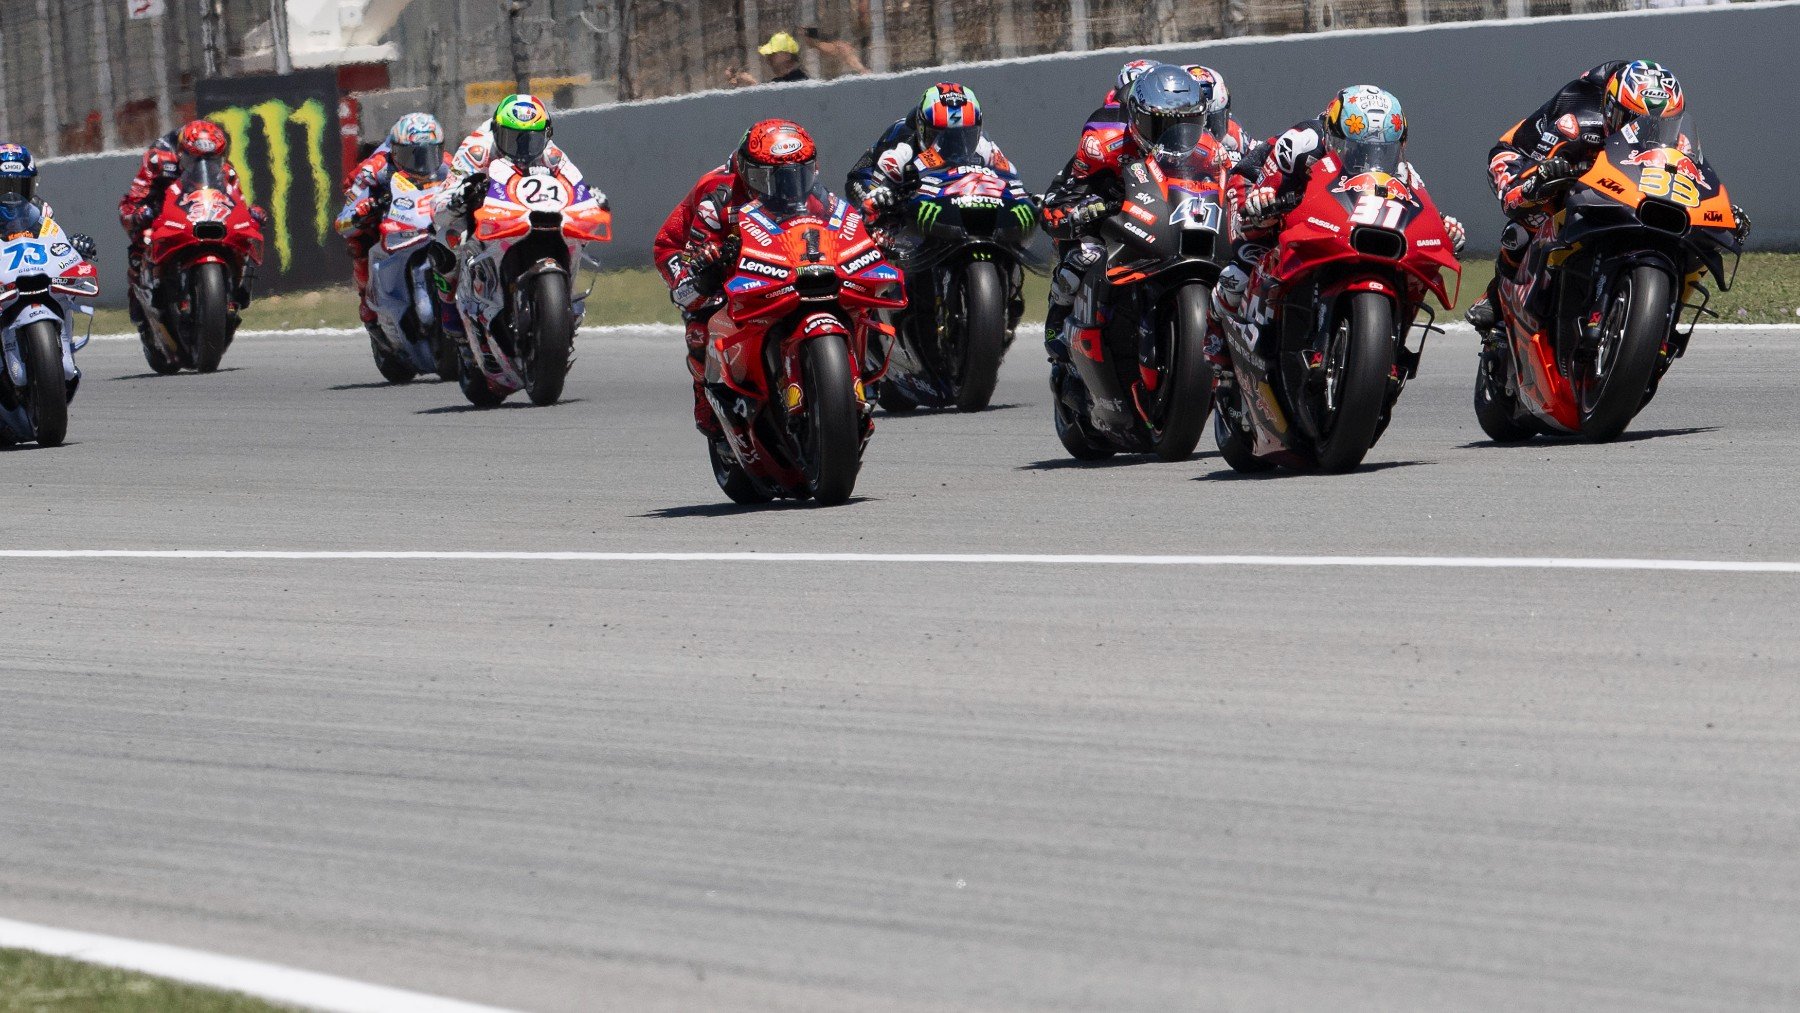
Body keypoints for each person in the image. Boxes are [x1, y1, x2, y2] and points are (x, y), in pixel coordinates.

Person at [1463, 60, 1742, 338]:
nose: (1649, 134)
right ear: (1611, 111)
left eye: (1663, 125)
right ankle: (1497, 297)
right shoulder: (1575, 123)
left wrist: (1725, 215)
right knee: (1535, 210)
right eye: (1634, 123)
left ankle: (1661, 326)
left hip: (1622, 187)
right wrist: (1541, 180)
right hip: (1521, 157)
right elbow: (1529, 170)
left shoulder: (1680, 142)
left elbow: (1697, 180)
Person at [1216, 85, 1465, 365]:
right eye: (1356, 150)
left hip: (1338, 220)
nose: (1368, 160)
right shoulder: (1300, 143)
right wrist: (1263, 203)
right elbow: (1258, 198)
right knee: (1240, 271)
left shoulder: (1402, 169)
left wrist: (1443, 228)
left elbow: (1420, 205)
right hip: (1258, 182)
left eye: (1382, 151)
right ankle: (1218, 355)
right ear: (1333, 136)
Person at [1039, 64, 1218, 386]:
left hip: (1168, 222)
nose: (1173, 135)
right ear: (1136, 117)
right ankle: (1058, 319)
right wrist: (1078, 211)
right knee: (1084, 257)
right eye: (1160, 124)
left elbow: (1229, 187)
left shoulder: (1208, 150)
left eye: (1187, 123)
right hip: (1112, 220)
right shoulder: (1103, 142)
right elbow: (1059, 196)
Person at [655, 119, 821, 437]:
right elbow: (696, 255)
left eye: (794, 175)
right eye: (769, 178)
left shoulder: (807, 192)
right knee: (702, 315)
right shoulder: (717, 194)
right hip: (685, 252)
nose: (783, 186)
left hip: (775, 270)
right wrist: (709, 265)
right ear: (747, 171)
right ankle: (710, 405)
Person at [431, 94, 602, 341]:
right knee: (446, 240)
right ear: (496, 131)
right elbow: (439, 206)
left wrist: (592, 197)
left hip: (533, 213)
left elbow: (577, 186)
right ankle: (450, 310)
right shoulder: (477, 149)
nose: (522, 150)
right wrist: (459, 196)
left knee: (574, 232)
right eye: (512, 139)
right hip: (489, 215)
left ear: (546, 135)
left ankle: (566, 294)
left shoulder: (551, 153)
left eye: (531, 141)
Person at [117, 121, 261, 332]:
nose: (204, 165)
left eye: (212, 160)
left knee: (243, 237)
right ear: (182, 153)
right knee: (141, 240)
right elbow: (133, 199)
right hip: (166, 212)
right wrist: (138, 213)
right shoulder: (158, 159)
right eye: (194, 159)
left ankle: (236, 291)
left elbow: (237, 201)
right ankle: (140, 296)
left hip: (206, 213)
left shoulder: (227, 171)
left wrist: (251, 215)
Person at [334, 113, 450, 330]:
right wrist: (361, 211)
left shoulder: (447, 163)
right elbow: (343, 221)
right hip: (390, 211)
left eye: (429, 154)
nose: (422, 163)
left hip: (429, 214)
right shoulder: (373, 169)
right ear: (395, 152)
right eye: (413, 156)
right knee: (358, 241)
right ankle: (366, 300)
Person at [844, 82, 1017, 213]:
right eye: (942, 136)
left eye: (965, 135)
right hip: (907, 216)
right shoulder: (903, 146)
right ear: (921, 127)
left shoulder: (983, 147)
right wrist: (879, 196)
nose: (954, 144)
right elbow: (858, 180)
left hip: (961, 208)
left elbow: (1012, 179)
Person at [0, 144, 96, 261]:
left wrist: (73, 246)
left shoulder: (41, 211)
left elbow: (53, 245)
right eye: (4, 188)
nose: (12, 198)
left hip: (34, 274)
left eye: (21, 187)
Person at [725, 32, 812, 87]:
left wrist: (751, 82)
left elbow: (771, 100)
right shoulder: (786, 80)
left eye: (772, 54)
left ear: (786, 55)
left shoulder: (798, 79)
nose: (768, 58)